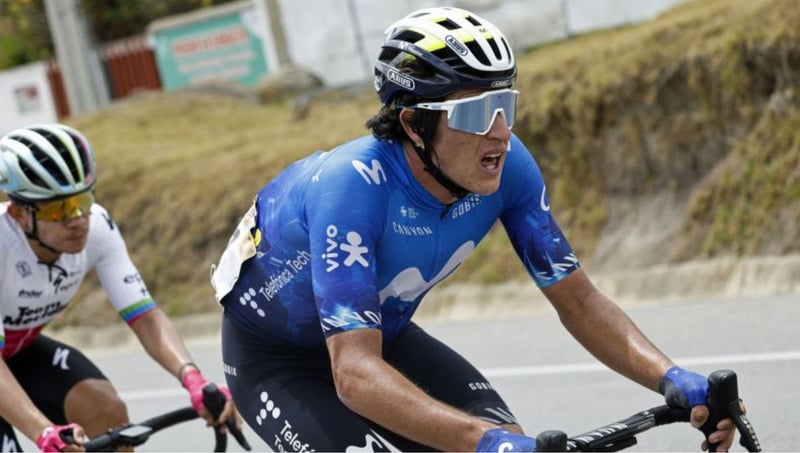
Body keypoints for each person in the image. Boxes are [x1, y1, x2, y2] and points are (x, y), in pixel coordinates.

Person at [210, 6, 740, 452]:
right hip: (280, 362)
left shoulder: (509, 167)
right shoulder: (351, 186)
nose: (501, 132)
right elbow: (353, 373)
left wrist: (673, 378)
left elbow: (578, 300)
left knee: (509, 440)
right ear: (414, 124)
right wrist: (481, 442)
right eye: (476, 112)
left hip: (381, 337)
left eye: (505, 104)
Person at [0, 123, 240, 452]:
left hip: (18, 351)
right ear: (18, 214)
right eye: (58, 210)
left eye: (82, 201)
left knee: (105, 410)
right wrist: (43, 432)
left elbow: (145, 317)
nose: (77, 219)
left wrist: (194, 380)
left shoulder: (97, 226)